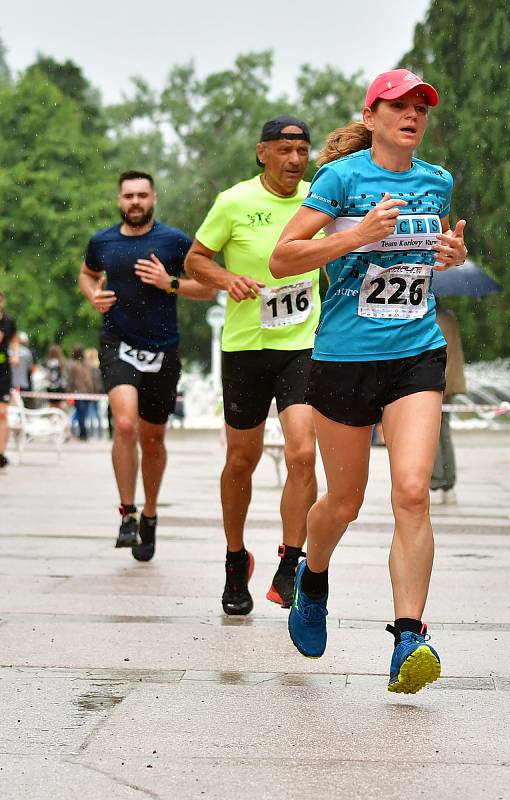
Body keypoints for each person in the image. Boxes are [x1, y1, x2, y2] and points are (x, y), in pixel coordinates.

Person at [270, 69, 467, 694]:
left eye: (421, 108)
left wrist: (449, 257)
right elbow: (282, 257)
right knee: (344, 501)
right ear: (373, 115)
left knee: (412, 492)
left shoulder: (437, 182)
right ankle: (314, 576)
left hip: (416, 353)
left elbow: (428, 254)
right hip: (345, 358)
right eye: (399, 106)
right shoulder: (340, 178)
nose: (412, 116)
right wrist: (356, 236)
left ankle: (409, 636)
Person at [185, 116, 319, 615]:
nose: (294, 160)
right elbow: (195, 260)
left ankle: (291, 563)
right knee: (243, 458)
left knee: (303, 453)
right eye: (285, 149)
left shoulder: (318, 200)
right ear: (262, 152)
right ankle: (235, 558)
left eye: (302, 150)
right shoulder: (235, 201)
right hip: (245, 347)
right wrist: (226, 278)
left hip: (302, 344)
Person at [78, 170, 216, 559]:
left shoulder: (174, 242)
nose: (134, 202)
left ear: (153, 198)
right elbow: (87, 274)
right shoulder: (102, 241)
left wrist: (168, 283)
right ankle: (127, 512)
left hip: (162, 349)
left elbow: (208, 287)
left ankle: (150, 514)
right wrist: (93, 295)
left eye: (142, 195)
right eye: (128, 196)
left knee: (153, 438)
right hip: (117, 342)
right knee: (124, 423)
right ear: (119, 200)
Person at [430, 302, 466, 505]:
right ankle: (449, 483)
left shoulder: (433, 318)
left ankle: (437, 482)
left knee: (431, 435)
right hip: (451, 382)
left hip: (437, 382)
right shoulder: (450, 318)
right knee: (444, 433)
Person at [0, 290, 19, 469]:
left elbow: (14, 339)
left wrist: (15, 354)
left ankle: (1, 453)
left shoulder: (8, 321)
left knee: (2, 413)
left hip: (3, 370)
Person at [65, 345, 95, 440]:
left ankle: (81, 432)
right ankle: (82, 432)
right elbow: (90, 380)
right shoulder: (86, 365)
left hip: (79, 392)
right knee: (82, 413)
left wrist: (69, 391)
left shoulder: (73, 365)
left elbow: (71, 380)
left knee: (80, 413)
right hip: (86, 392)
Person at [84, 348, 105, 438]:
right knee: (96, 414)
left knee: (91, 414)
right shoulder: (97, 368)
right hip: (96, 393)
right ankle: (99, 433)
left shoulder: (91, 369)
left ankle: (93, 434)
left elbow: (93, 383)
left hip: (92, 393)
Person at [45, 344, 66, 408]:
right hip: (60, 387)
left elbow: (51, 377)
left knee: (52, 407)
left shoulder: (50, 363)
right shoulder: (61, 362)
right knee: (59, 407)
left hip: (52, 387)